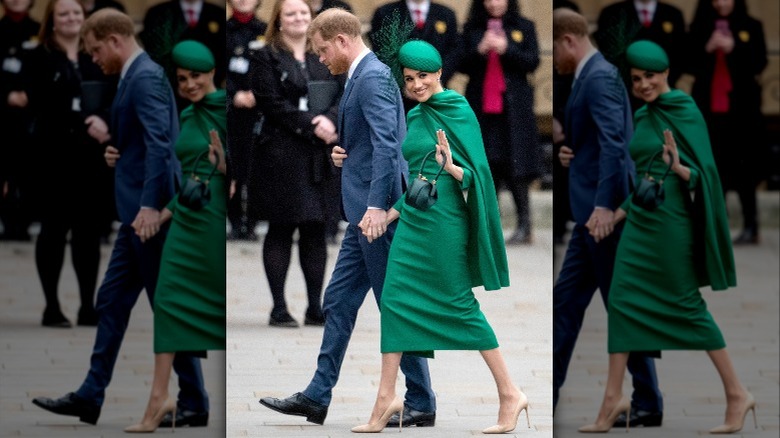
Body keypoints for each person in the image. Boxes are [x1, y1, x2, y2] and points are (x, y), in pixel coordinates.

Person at [258, 7, 436, 427]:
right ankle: (317, 396)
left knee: (394, 305)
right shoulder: (362, 75)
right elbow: (375, 142)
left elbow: (391, 147)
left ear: (342, 40)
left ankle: (422, 400)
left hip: (377, 217)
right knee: (338, 301)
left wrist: (377, 208)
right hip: (363, 216)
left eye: (322, 51)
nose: (320, 59)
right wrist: (347, 152)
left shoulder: (371, 76)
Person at [30, 8, 208, 427]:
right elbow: (146, 142)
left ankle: (195, 400)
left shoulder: (143, 76)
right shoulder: (136, 74)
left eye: (95, 51)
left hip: (148, 218)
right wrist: (119, 150)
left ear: (113, 40)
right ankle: (92, 395)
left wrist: (149, 207)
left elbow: (163, 146)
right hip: (137, 216)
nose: (94, 59)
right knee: (111, 302)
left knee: (166, 308)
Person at [350, 39, 526, 435]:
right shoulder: (416, 116)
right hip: (414, 222)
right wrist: (386, 214)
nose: (415, 85)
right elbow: (415, 180)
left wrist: (452, 167)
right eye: (409, 78)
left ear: (439, 73)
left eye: (423, 76)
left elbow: (479, 175)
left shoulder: (457, 109)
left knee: (459, 304)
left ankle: (510, 392)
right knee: (394, 300)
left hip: (446, 225)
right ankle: (386, 397)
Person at [578, 39, 753, 434]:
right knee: (621, 301)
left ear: (666, 73)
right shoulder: (644, 114)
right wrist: (613, 214)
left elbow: (704, 175)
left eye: (650, 76)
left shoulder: (684, 109)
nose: (643, 84)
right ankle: (612, 398)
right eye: (637, 78)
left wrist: (678, 166)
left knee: (687, 305)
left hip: (672, 226)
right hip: (639, 224)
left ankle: (737, 393)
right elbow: (642, 180)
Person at [551, 8, 664, 428]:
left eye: (557, 50)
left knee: (597, 306)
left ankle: (646, 399)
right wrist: (573, 153)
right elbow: (601, 143)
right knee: (581, 305)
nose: (558, 64)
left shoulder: (597, 77)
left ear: (567, 41)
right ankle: (648, 400)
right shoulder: (596, 74)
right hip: (594, 212)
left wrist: (602, 208)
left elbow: (618, 147)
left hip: (603, 217)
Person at [124, 39, 226, 433]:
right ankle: (159, 399)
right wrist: (159, 215)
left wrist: (223, 166)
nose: (189, 83)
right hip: (185, 220)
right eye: (182, 78)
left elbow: (233, 171)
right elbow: (184, 176)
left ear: (211, 72)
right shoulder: (187, 113)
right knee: (166, 302)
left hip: (213, 223)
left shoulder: (224, 108)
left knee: (213, 304)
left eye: (196, 76)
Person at [250, 0, 341, 328]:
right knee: (281, 225)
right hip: (281, 153)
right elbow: (270, 102)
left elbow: (342, 91)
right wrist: (310, 123)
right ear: (279, 19)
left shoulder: (324, 51)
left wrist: (330, 121)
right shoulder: (265, 55)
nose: (298, 18)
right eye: (290, 13)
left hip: (319, 152)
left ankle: (315, 307)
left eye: (303, 12)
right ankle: (278, 307)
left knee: (316, 227)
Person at [22, 0, 113, 328]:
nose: (71, 18)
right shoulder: (36, 57)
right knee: (53, 232)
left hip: (91, 159)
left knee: (88, 234)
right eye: (64, 14)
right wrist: (81, 120)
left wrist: (102, 120)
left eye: (76, 12)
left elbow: (114, 95)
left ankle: (88, 306)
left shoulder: (96, 53)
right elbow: (39, 102)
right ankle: (52, 306)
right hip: (52, 158)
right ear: (52, 20)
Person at [459, 0, 542, 246]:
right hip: (483, 107)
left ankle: (524, 225)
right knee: (487, 164)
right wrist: (479, 49)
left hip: (514, 110)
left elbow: (533, 60)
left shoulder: (524, 26)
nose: (495, 3)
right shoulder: (472, 29)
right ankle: (486, 227)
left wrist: (508, 48)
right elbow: (459, 64)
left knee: (516, 166)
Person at [687, 0, 768, 245]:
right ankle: (711, 227)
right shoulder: (699, 27)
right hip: (710, 111)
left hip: (741, 113)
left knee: (745, 170)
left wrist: (736, 48)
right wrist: (707, 48)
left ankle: (751, 226)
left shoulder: (752, 26)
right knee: (712, 168)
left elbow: (759, 62)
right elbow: (687, 64)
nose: (722, 3)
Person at [368, 0, 460, 114]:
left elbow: (454, 51)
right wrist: (405, 82)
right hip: (397, 97)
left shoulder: (446, 14)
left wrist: (435, 80)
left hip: (436, 94)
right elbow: (381, 52)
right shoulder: (385, 13)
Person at [593, 0, 686, 112]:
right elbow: (607, 55)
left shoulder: (673, 14)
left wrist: (660, 84)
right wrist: (632, 84)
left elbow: (681, 55)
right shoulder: (611, 13)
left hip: (664, 95)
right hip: (623, 97)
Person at [138, 0, 226, 113]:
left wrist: (207, 84)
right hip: (169, 98)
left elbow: (224, 55)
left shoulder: (218, 13)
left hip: (210, 96)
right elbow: (152, 54)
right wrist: (178, 84)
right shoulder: (157, 14)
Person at [226, 0, 266, 241]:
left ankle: (251, 222)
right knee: (232, 167)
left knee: (256, 168)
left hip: (259, 111)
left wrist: (257, 95)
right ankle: (233, 221)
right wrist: (234, 95)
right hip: (231, 112)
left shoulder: (265, 30)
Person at [0, 0, 39, 242]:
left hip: (33, 115)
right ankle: (7, 222)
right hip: (4, 115)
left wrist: (31, 95)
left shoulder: (40, 30)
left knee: (30, 169)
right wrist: (6, 95)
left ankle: (25, 221)